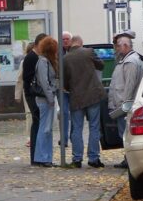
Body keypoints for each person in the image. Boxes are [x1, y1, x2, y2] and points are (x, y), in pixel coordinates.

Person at [64, 35, 105, 168]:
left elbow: (64, 81)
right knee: (94, 127)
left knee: (77, 128)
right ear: (81, 43)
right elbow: (101, 65)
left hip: (76, 98)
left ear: (71, 43)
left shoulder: (66, 58)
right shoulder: (89, 52)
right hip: (93, 95)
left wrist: (71, 88)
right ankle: (93, 158)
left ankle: (77, 159)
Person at [107, 33, 143, 169]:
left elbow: (129, 85)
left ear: (125, 46)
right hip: (123, 104)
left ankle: (129, 160)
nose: (116, 49)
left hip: (124, 106)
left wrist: (125, 104)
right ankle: (127, 159)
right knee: (124, 133)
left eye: (118, 46)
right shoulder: (127, 60)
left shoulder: (130, 62)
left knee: (125, 134)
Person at [33, 37, 59, 167]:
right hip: (45, 99)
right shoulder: (43, 62)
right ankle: (43, 157)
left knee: (46, 129)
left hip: (47, 98)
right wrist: (50, 98)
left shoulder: (46, 61)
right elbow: (44, 82)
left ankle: (45, 157)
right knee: (45, 129)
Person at [22, 33, 47, 165]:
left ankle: (37, 156)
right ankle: (36, 156)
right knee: (37, 122)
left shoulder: (36, 56)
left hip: (32, 93)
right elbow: (27, 78)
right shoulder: (32, 57)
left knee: (37, 122)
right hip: (33, 94)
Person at [59, 30, 73, 146]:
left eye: (67, 39)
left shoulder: (75, 52)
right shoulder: (58, 53)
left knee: (75, 113)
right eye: (63, 39)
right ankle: (64, 139)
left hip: (74, 88)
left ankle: (74, 136)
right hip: (62, 89)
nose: (65, 41)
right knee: (63, 113)